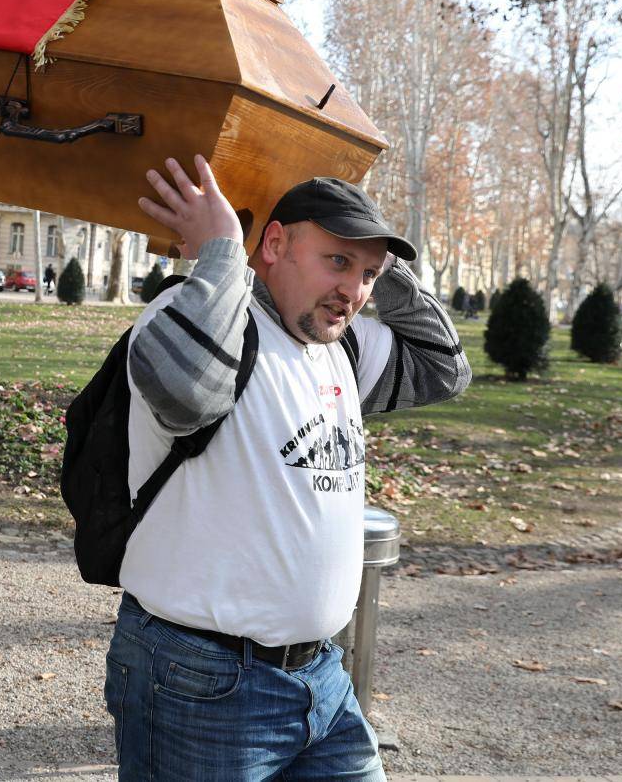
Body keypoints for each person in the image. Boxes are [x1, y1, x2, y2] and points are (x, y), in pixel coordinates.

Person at [104, 155, 471, 781]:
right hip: (202, 681)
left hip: (320, 680)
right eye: (336, 261)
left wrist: (382, 263)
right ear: (273, 244)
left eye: (365, 274)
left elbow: (444, 369)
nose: (353, 292)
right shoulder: (187, 318)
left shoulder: (341, 350)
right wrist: (221, 250)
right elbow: (187, 391)